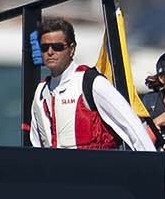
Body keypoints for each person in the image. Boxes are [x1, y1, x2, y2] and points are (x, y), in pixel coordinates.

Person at [29, 17, 155, 151]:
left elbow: (131, 125)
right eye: (44, 47)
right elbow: (36, 142)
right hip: (52, 164)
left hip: (95, 163)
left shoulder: (91, 82)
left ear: (72, 49)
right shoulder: (40, 92)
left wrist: (151, 160)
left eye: (57, 47)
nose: (50, 52)